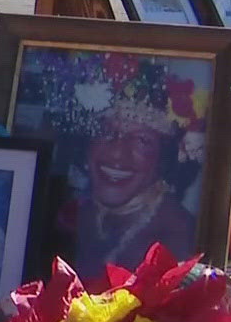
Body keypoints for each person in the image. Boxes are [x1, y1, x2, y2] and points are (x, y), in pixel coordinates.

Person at [75, 115, 198, 274]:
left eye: (142, 140)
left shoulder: (178, 232)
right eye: (106, 132)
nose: (117, 154)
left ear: (163, 158)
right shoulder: (74, 213)